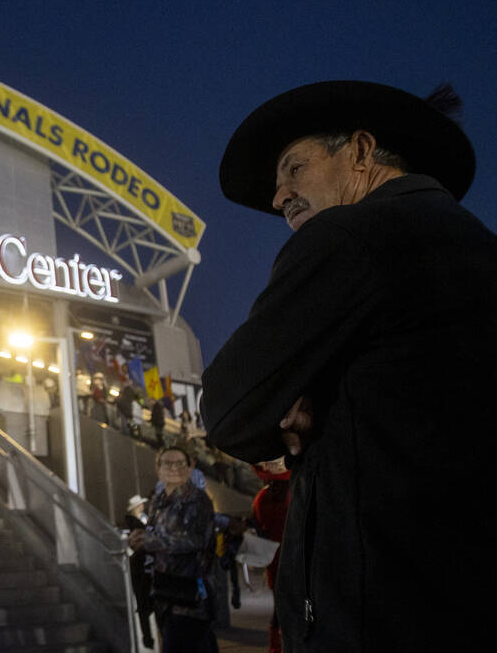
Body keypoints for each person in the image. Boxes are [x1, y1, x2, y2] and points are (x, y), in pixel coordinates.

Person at [202, 81, 495, 652]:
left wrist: (294, 415)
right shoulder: (478, 246)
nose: (278, 195)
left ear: (360, 151)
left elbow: (230, 408)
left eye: (294, 168)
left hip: (379, 616)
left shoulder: (346, 236)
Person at [128, 446, 217, 653]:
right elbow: (153, 533)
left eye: (180, 463)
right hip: (163, 593)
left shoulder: (199, 500)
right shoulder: (157, 501)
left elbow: (198, 540)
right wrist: (138, 539)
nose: (174, 468)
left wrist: (152, 541)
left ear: (190, 467)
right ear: (158, 468)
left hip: (189, 595)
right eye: (167, 463)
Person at [251, 458, 291, 653]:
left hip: (275, 561)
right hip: (297, 559)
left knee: (279, 608)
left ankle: (276, 647)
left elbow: (260, 531)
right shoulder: (297, 494)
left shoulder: (261, 498)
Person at [124, 494, 155, 649]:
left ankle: (147, 637)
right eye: (141, 504)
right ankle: (148, 637)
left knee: (143, 603)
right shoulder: (138, 524)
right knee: (146, 602)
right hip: (144, 564)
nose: (143, 506)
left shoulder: (135, 523)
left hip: (139, 565)